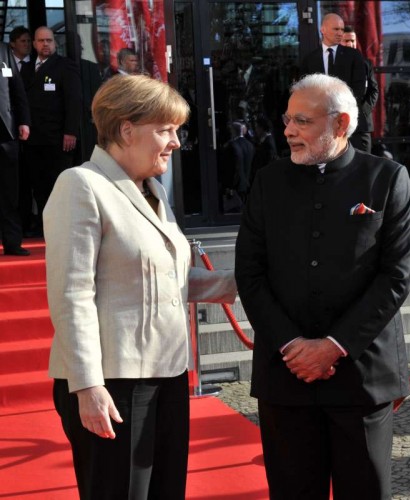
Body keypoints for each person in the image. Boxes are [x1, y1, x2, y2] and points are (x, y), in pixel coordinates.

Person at [44, 75, 236, 500]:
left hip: (165, 373)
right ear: (126, 129)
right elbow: (71, 295)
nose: (176, 142)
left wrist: (245, 282)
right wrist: (88, 386)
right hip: (112, 382)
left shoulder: (151, 190)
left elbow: (166, 281)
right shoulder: (81, 185)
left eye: (177, 131)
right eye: (166, 130)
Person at [235, 73, 410, 500]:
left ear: (340, 123)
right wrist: (291, 346)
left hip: (361, 375)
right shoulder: (268, 181)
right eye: (286, 120)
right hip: (286, 376)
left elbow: (396, 276)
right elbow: (250, 274)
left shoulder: (387, 179)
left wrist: (334, 345)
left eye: (302, 121)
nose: (288, 131)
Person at [21, 26, 82, 236]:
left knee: (59, 185)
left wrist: (71, 131)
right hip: (33, 140)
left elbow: (73, 101)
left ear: (55, 43)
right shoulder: (27, 68)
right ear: (34, 44)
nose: (45, 44)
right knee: (38, 186)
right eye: (40, 41)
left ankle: (61, 227)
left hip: (58, 139)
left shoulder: (65, 66)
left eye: (49, 40)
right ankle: (45, 225)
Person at [0, 41, 31, 256]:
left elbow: (16, 87)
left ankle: (12, 242)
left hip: (5, 130)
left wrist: (24, 121)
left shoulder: (4, 50)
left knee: (9, 191)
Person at [303, 13, 366, 116]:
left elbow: (359, 88)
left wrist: (343, 108)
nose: (340, 33)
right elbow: (306, 89)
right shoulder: (309, 59)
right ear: (323, 30)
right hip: (320, 117)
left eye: (342, 29)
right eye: (336, 29)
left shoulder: (354, 56)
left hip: (347, 115)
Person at [341, 26, 379, 152]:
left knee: (363, 164)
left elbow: (374, 91)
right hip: (339, 127)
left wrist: (363, 112)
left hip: (361, 126)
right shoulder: (332, 64)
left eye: (353, 41)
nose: (350, 44)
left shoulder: (366, 64)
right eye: (346, 41)